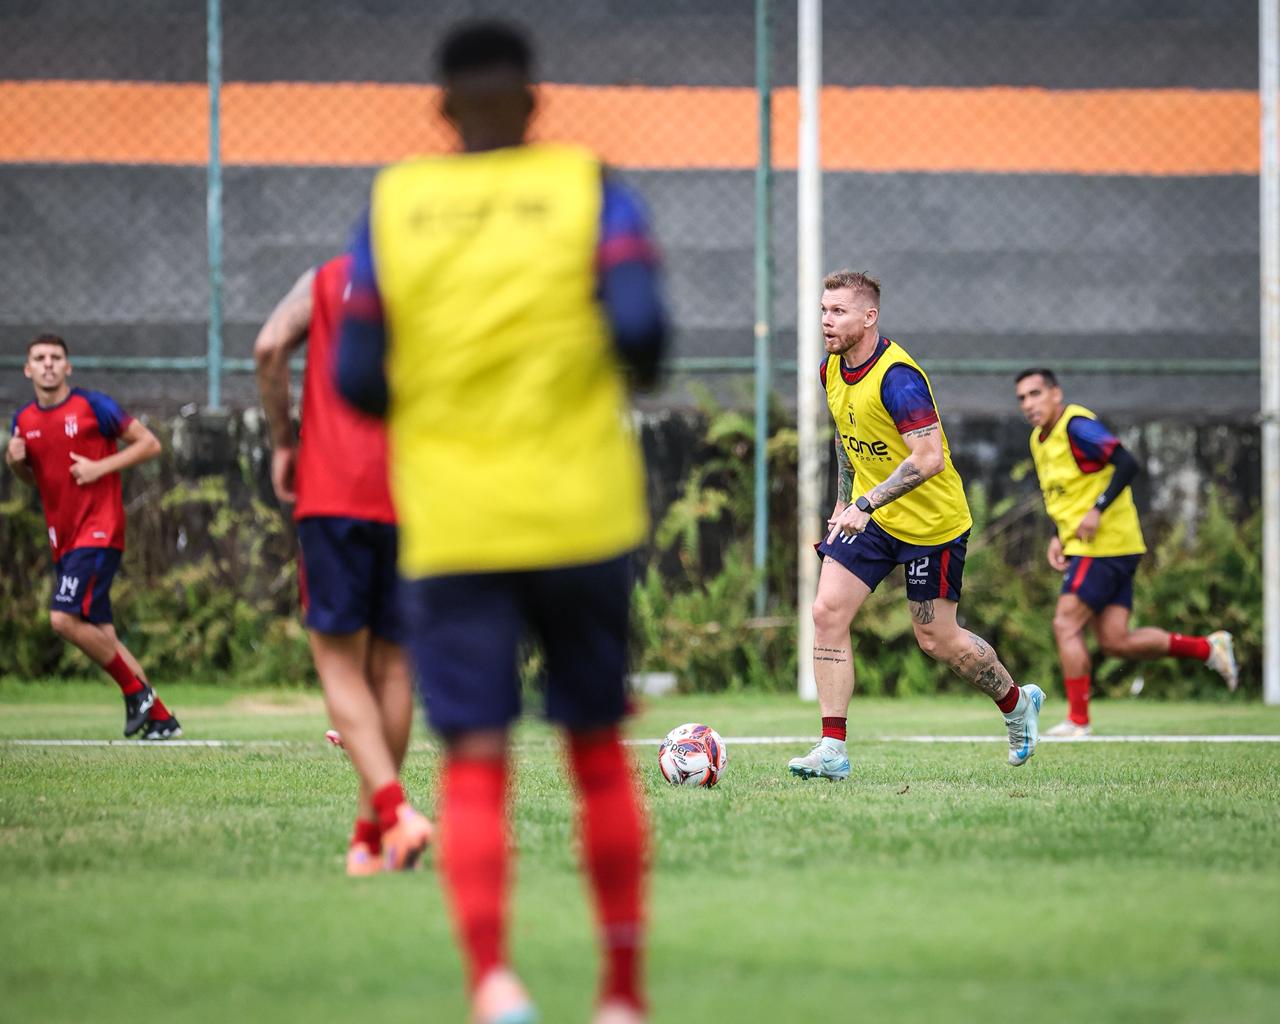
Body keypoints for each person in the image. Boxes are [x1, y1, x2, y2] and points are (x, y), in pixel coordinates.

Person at [335, 21, 666, 1024]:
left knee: (475, 759)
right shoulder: (589, 187)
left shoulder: (393, 206)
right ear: (534, 99)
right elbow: (645, 337)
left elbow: (354, 375)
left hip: (456, 525)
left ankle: (494, 983)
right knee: (596, 752)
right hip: (578, 516)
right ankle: (618, 995)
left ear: (440, 109)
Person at [787, 271, 1044, 781]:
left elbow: (927, 459)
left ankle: (1017, 704)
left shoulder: (899, 378)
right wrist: (844, 504)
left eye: (838, 311)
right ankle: (832, 750)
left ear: (869, 316)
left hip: (932, 524)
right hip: (872, 516)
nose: (826, 321)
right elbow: (847, 439)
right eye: (822, 310)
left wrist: (865, 502)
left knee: (936, 641)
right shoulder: (831, 370)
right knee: (826, 613)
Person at [254, 256, 434, 874]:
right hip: (413, 492)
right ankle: (368, 840)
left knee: (339, 664)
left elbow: (269, 345)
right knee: (394, 667)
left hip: (332, 491)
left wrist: (283, 441)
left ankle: (395, 812)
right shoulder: (435, 280)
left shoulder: (325, 279)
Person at [1014, 368, 1237, 736]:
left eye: (1035, 394)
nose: (1028, 404)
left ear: (1056, 393)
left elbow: (1127, 462)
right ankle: (1208, 649)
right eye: (1022, 398)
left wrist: (1098, 509)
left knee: (1065, 623)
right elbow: (1064, 495)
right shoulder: (1039, 440)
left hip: (1105, 546)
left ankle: (1078, 721)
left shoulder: (1077, 427)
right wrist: (1058, 534)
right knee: (1116, 641)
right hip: (1101, 547)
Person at [6, 333, 179, 739]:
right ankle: (160, 718)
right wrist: (13, 463)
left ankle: (137, 692)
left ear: (68, 367)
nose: (48, 364)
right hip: (63, 538)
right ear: (27, 369)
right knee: (101, 634)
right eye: (39, 358)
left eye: (56, 357)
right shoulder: (23, 421)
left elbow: (149, 443)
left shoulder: (92, 406)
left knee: (63, 618)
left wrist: (100, 468)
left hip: (99, 530)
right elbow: (33, 479)